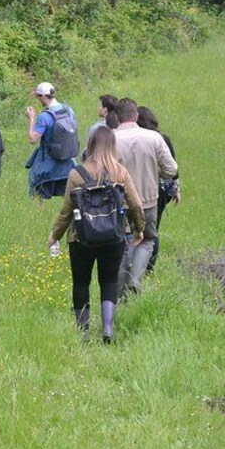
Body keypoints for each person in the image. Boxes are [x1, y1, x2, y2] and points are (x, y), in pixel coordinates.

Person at [48, 126, 145, 343]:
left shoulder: (76, 173)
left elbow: (66, 211)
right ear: (112, 146)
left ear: (90, 144)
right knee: (109, 281)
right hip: (113, 237)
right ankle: (107, 329)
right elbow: (136, 205)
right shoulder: (120, 172)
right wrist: (138, 229)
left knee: (81, 283)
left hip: (80, 237)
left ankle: (83, 334)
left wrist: (55, 235)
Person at [113, 98, 178, 298]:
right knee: (147, 239)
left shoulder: (109, 137)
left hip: (118, 201)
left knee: (122, 242)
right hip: (148, 201)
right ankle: (136, 280)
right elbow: (172, 169)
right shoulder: (153, 138)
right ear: (137, 116)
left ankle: (120, 291)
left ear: (116, 117)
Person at [136, 106, 180, 272]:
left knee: (140, 230)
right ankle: (149, 267)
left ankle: (137, 265)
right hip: (163, 189)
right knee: (154, 229)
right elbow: (174, 167)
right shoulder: (163, 138)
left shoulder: (140, 140)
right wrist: (177, 188)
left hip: (145, 188)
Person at [25, 82, 78, 200]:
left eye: (38, 97)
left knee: (35, 185)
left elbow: (32, 139)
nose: (38, 100)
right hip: (68, 161)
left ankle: (38, 214)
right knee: (68, 192)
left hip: (48, 161)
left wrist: (31, 118)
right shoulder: (69, 110)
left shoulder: (44, 116)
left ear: (43, 96)